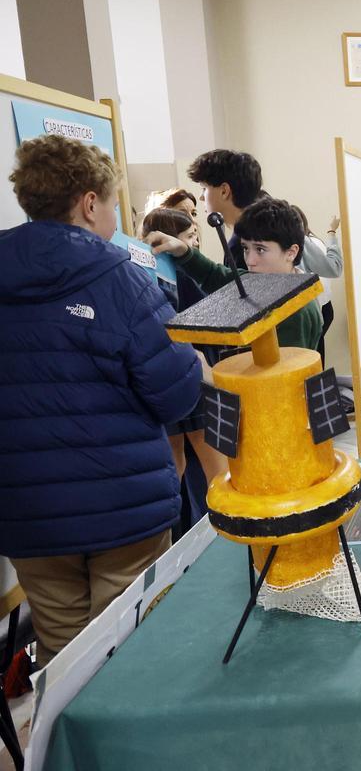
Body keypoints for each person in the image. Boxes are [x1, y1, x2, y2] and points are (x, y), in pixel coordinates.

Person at [0, 134, 201, 663]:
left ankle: (72, 745)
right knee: (132, 651)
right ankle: (132, 746)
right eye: (113, 202)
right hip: (123, 508)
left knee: (63, 656)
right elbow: (175, 393)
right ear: (90, 203)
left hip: (26, 511)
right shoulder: (122, 280)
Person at [148, 196, 322, 350]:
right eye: (246, 248)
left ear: (291, 252)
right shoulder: (259, 281)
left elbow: (280, 377)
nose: (250, 260)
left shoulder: (297, 309)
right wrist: (183, 250)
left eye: (260, 250)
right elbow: (213, 274)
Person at [139, 207, 228, 488]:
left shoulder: (145, 276)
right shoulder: (184, 275)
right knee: (219, 468)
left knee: (175, 462)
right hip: (198, 373)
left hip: (168, 376)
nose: (196, 243)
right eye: (190, 236)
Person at [186, 149, 264, 268]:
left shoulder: (242, 245)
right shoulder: (267, 229)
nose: (201, 197)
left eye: (204, 188)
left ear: (224, 191)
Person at [292, 205, 344, 365]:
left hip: (316, 310)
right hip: (320, 309)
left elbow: (333, 268)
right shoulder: (312, 242)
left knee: (311, 361)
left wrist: (332, 233)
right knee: (313, 359)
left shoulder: (306, 243)